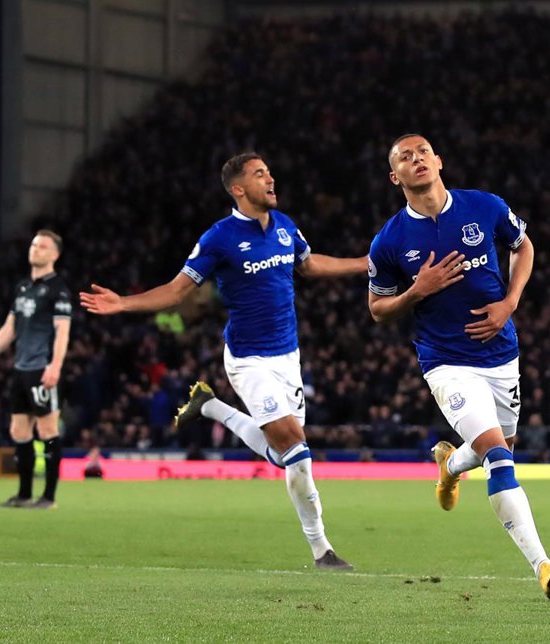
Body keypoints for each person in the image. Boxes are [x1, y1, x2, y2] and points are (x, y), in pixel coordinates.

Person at [79, 152, 367, 570]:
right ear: (238, 189)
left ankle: (210, 406)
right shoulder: (219, 237)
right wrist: (123, 302)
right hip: (249, 361)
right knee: (297, 452)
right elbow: (177, 290)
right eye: (259, 174)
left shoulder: (285, 225)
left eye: (269, 171)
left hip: (289, 357)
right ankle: (322, 550)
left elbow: (310, 264)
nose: (270, 178)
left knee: (281, 455)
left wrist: (364, 263)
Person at [366, 134, 550, 601]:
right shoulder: (390, 240)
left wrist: (510, 303)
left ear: (439, 160)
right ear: (395, 177)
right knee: (499, 457)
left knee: (493, 450)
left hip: (501, 355)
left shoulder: (485, 206)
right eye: (404, 157)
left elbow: (524, 247)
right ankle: (543, 566)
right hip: (447, 363)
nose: (416, 159)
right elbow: (377, 308)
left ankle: (449, 464)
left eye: (423, 152)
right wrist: (416, 291)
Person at [0, 230, 71, 510]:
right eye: (34, 244)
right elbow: (9, 328)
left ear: (55, 255)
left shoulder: (58, 289)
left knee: (48, 430)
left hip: (42, 368)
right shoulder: (23, 287)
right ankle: (24, 494)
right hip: (21, 368)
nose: (35, 249)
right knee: (19, 430)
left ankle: (48, 497)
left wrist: (55, 366)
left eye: (43, 246)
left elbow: (63, 331)